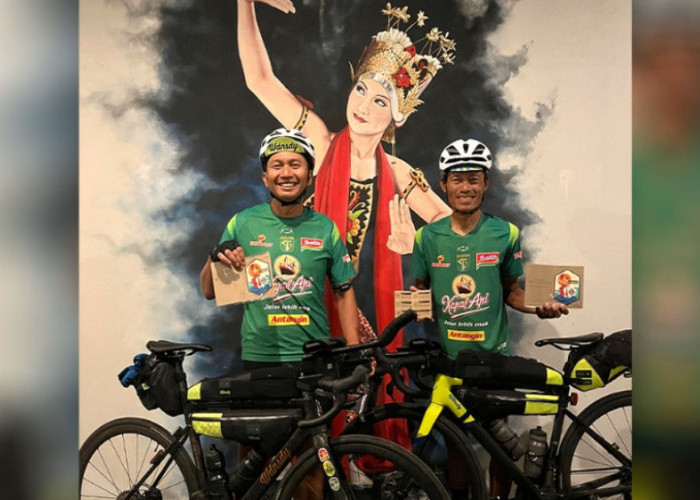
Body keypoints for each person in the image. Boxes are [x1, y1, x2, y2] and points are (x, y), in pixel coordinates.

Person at [236, 0, 453, 346]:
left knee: (365, 370)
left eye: (380, 101)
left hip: (352, 301)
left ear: (397, 117)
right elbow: (260, 81)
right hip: (290, 290)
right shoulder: (320, 141)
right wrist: (245, 2)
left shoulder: (396, 171)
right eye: (361, 90)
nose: (363, 106)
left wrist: (417, 245)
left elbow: (448, 223)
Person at [410, 138, 569, 499]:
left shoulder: (506, 233)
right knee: (457, 445)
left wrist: (541, 306)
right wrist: (414, 307)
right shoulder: (425, 237)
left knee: (500, 445)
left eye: (474, 179)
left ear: (485, 184)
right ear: (443, 184)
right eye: (457, 179)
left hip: (494, 360)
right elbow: (419, 293)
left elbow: (513, 291)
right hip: (452, 361)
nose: (465, 187)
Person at [200, 128, 360, 367]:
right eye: (277, 166)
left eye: (295, 165)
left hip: (315, 356)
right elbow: (208, 291)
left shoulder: (326, 228)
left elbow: (344, 292)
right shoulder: (242, 223)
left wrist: (355, 351)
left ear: (309, 177)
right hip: (259, 357)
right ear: (265, 178)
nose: (286, 173)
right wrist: (214, 257)